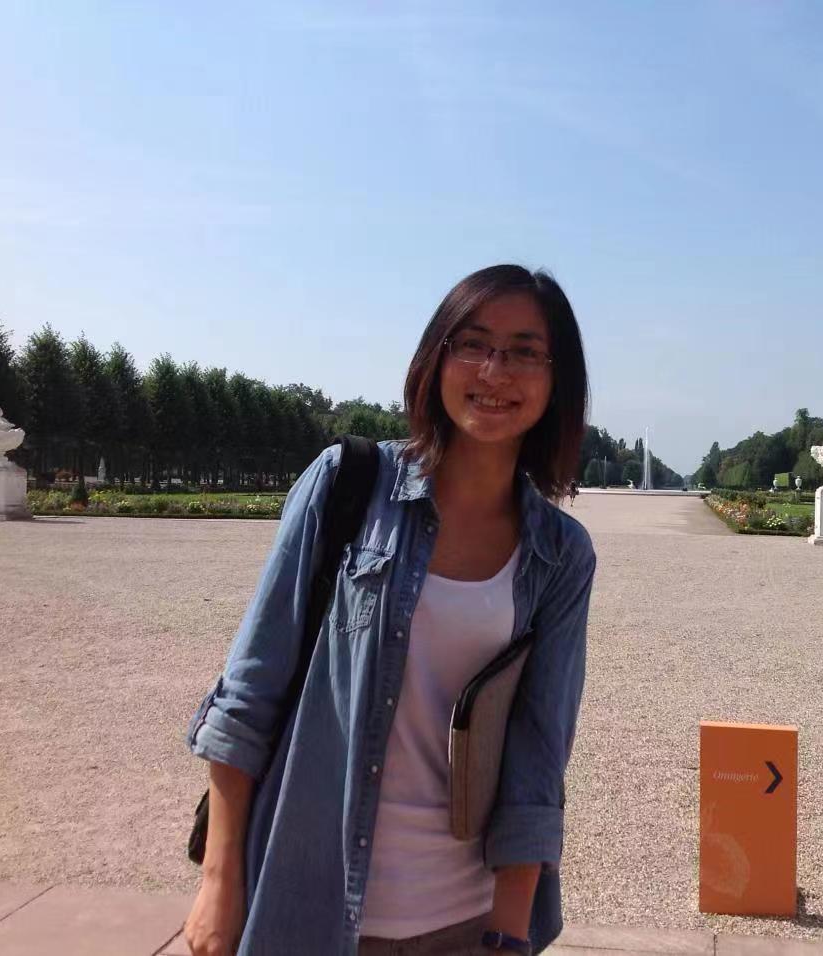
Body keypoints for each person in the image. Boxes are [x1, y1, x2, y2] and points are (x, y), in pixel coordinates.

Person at [183, 264, 596, 956]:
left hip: (464, 918)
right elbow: (249, 693)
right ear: (437, 357)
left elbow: (538, 754)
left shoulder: (560, 554)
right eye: (473, 343)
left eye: (525, 352)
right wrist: (220, 882)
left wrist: (506, 937)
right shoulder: (346, 485)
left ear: (557, 382)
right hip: (307, 903)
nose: (495, 371)